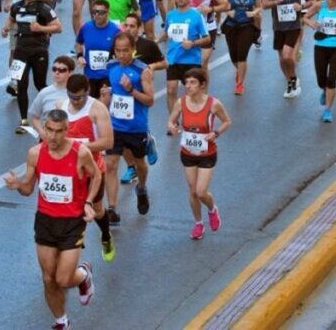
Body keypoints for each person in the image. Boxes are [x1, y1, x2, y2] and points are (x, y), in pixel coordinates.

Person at [3, 109, 101, 330]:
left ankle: (84, 275)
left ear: (67, 131)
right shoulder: (35, 153)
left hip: (72, 222)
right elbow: (28, 188)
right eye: (49, 130)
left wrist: (89, 202)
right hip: (45, 220)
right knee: (48, 278)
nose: (53, 137)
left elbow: (96, 176)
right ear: (44, 129)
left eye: (58, 131)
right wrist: (17, 184)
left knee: (63, 279)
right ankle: (61, 321)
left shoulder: (80, 152)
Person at [55, 74, 115, 261]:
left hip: (92, 169)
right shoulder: (61, 106)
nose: (75, 101)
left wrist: (77, 146)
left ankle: (106, 235)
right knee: (67, 207)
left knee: (96, 209)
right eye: (71, 96)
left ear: (88, 92)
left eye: (79, 97)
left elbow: (108, 142)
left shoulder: (97, 109)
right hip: (68, 171)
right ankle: (72, 242)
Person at [165, 68, 230, 239]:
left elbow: (226, 122)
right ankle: (198, 224)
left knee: (201, 192)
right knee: (193, 191)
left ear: (203, 85)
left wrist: (216, 133)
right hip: (188, 152)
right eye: (186, 82)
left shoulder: (213, 104)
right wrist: (173, 127)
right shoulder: (181, 102)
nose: (188, 86)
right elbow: (171, 121)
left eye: (193, 82)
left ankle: (212, 209)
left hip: (207, 153)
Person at [103, 32, 155, 223]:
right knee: (110, 165)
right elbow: (111, 94)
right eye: (118, 50)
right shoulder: (111, 66)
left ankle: (141, 187)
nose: (122, 54)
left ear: (133, 50)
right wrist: (106, 96)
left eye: (126, 50)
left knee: (140, 165)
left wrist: (131, 90)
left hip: (136, 127)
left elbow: (150, 101)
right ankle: (112, 208)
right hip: (115, 125)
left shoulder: (143, 71)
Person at [3, 0, 62, 133]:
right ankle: (23, 121)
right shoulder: (17, 6)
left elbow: (58, 28)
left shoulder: (44, 8)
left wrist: (41, 28)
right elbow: (10, 19)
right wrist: (6, 28)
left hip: (38, 51)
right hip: (20, 50)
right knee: (21, 86)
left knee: (40, 84)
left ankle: (52, 113)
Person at [261, 0, 313, 98]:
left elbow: (310, 0)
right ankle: (290, 81)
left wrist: (301, 7)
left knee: (286, 55)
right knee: (281, 59)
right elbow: (264, 4)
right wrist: (276, 1)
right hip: (278, 26)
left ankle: (293, 78)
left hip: (294, 25)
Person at [162, 0, 211, 115]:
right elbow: (166, 33)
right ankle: (173, 120)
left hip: (191, 60)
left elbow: (207, 39)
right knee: (171, 90)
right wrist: (155, 41)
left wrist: (193, 43)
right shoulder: (170, 15)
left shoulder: (196, 16)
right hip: (173, 59)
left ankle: (194, 117)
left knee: (192, 92)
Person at [222, 0, 262, 95]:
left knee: (242, 56)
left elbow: (259, 7)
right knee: (233, 56)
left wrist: (253, 13)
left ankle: (239, 84)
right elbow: (224, 6)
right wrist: (229, 11)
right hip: (231, 26)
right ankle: (239, 71)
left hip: (247, 26)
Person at [75, 0, 121, 98]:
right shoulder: (86, 27)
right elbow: (79, 43)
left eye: (101, 12)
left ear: (108, 12)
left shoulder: (116, 30)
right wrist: (79, 56)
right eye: (94, 12)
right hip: (89, 75)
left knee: (104, 105)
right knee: (91, 105)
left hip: (107, 76)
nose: (97, 15)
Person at [28, 56, 76, 135]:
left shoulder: (75, 93)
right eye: (54, 69)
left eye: (62, 70)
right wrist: (42, 133)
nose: (57, 72)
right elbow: (35, 117)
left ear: (70, 73)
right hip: (48, 138)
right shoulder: (44, 93)